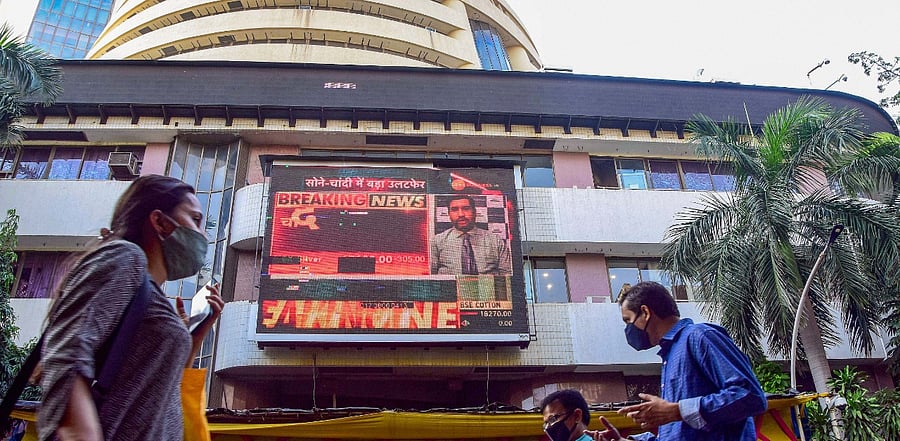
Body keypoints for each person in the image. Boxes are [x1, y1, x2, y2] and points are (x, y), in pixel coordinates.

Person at [37, 175, 225, 441]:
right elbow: (69, 350)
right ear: (159, 221)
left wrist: (190, 340)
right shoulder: (126, 258)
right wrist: (79, 432)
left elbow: (155, 389)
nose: (202, 235)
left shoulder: (153, 297)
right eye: (195, 219)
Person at [586, 282, 766, 441]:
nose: (628, 330)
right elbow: (679, 432)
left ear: (645, 312)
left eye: (628, 321)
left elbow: (750, 395)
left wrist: (677, 410)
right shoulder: (670, 356)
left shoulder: (700, 336)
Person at [430, 195, 511, 275]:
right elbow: (430, 275)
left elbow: (507, 275)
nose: (461, 214)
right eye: (454, 209)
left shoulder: (495, 241)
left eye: (466, 208)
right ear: (449, 214)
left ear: (474, 212)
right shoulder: (437, 241)